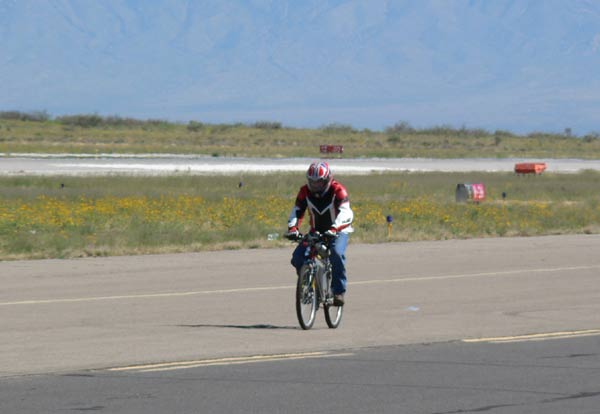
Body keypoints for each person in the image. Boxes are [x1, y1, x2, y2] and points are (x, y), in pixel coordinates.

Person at [285, 161, 354, 306]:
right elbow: (297, 211)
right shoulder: (304, 191)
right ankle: (309, 286)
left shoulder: (338, 190)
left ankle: (338, 291)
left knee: (336, 253)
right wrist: (293, 228)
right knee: (298, 257)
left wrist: (334, 229)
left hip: (338, 231)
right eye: (312, 182)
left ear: (327, 179)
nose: (315, 186)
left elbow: (346, 213)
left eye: (319, 182)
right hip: (315, 231)